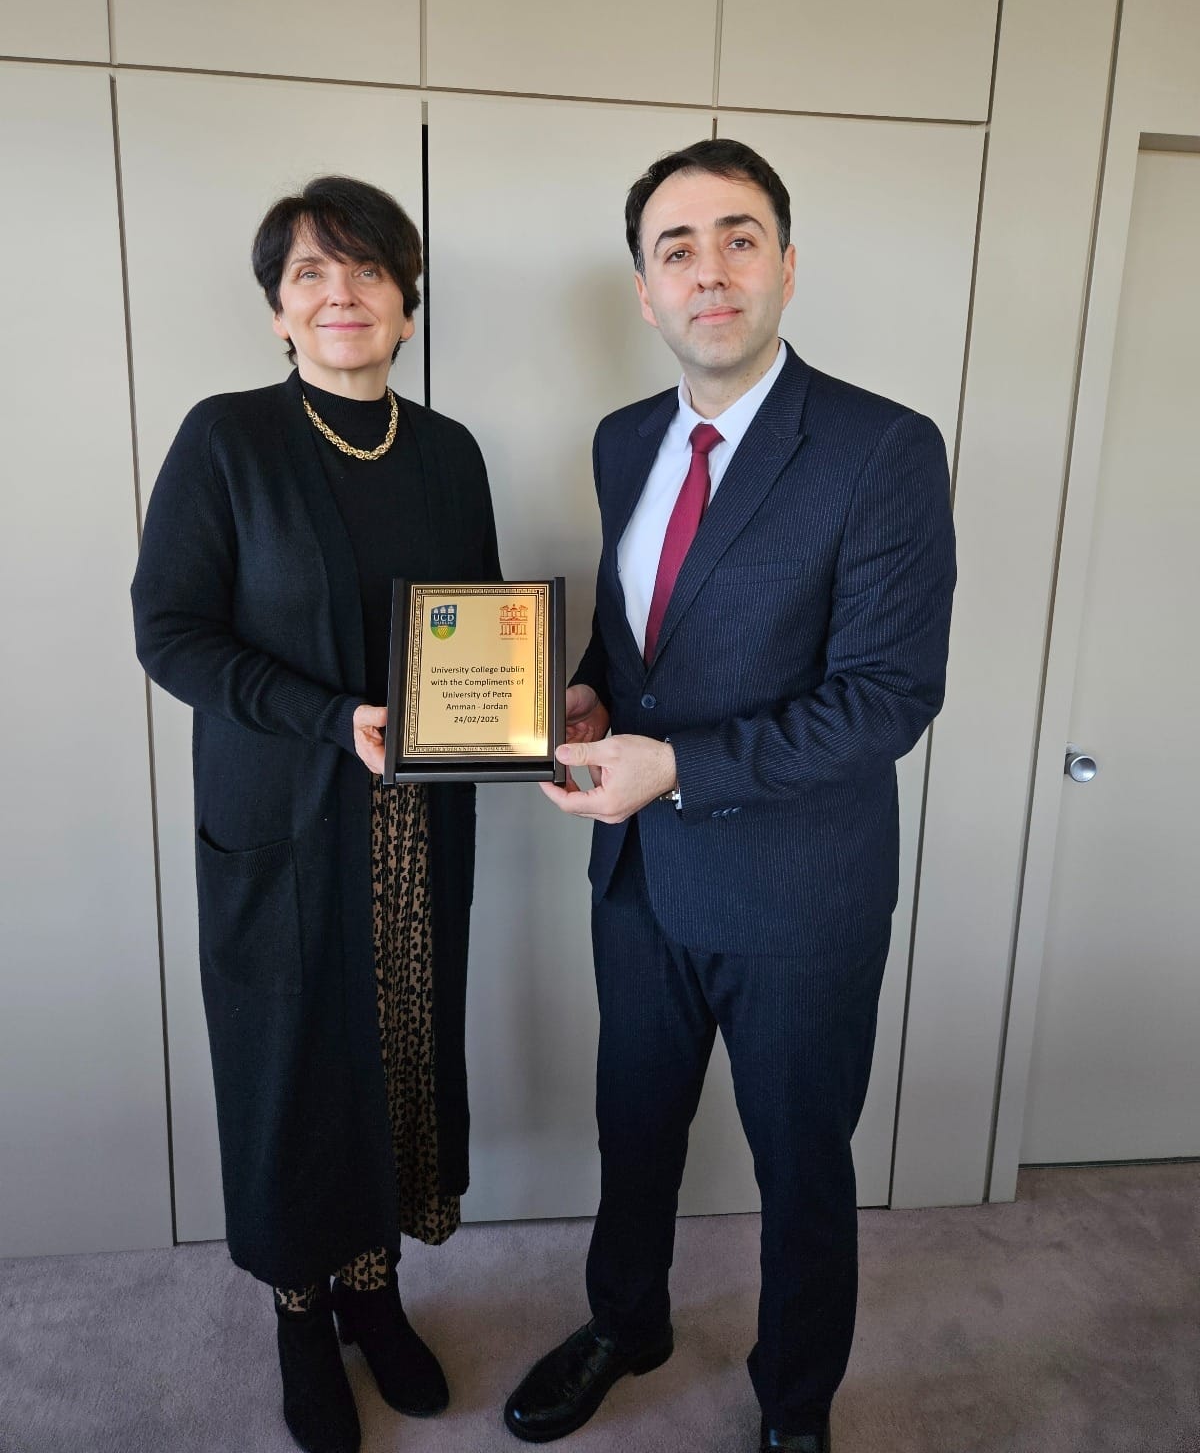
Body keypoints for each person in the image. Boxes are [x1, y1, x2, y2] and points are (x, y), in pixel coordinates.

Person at [503, 140, 956, 1452]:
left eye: (739, 239)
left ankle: (794, 1406)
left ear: (787, 268)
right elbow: (642, 636)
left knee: (801, 1167)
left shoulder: (882, 449)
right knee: (634, 1126)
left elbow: (886, 699)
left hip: (799, 894)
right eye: (678, 249)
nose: (710, 272)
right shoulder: (623, 440)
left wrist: (681, 765)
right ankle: (626, 1323)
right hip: (641, 877)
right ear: (645, 291)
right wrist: (589, 698)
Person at [131, 176, 500, 1453]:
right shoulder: (227, 438)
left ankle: (373, 1290)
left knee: (395, 1057)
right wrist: (327, 716)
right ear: (279, 312)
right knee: (291, 1071)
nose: (340, 293)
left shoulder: (449, 451)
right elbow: (170, 632)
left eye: (367, 270)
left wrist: (527, 710)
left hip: (412, 828)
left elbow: (479, 626)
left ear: (406, 304)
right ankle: (300, 1312)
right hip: (283, 822)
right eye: (309, 273)